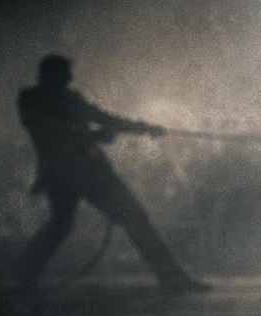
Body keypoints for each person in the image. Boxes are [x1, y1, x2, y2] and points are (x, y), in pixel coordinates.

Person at [14, 54, 209, 293]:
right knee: (130, 216)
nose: (70, 78)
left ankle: (25, 270)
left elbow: (104, 118)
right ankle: (171, 277)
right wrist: (95, 136)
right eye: (65, 73)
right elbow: (52, 131)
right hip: (79, 173)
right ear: (52, 74)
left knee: (64, 223)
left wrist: (143, 128)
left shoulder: (66, 98)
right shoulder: (31, 100)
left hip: (73, 172)